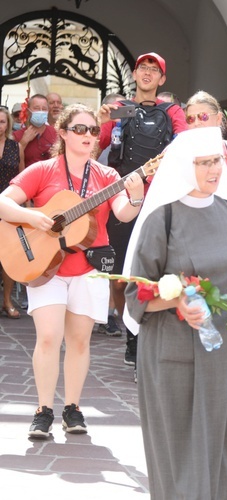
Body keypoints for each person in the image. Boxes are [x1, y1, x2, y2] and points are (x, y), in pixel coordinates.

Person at [123, 126, 227, 499]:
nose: (214, 169)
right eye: (204, 163)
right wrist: (175, 301)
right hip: (175, 352)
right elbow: (136, 293)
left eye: (217, 161)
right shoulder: (163, 220)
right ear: (183, 167)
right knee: (181, 449)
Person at [0, 103, 145, 437]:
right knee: (49, 337)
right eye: (79, 129)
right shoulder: (44, 170)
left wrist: (135, 196)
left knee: (79, 342)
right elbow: (5, 202)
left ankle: (73, 408)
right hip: (46, 267)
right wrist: (34, 217)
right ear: (63, 133)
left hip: (88, 266)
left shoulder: (107, 176)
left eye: (93, 130)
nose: (88, 136)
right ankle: (43, 409)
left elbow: (122, 214)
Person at [98, 52, 188, 368]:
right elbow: (98, 145)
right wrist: (101, 121)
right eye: (142, 68)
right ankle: (130, 334)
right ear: (135, 75)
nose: (147, 73)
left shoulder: (173, 111)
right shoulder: (120, 110)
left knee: (153, 271)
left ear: (162, 79)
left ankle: (142, 338)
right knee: (122, 275)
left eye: (154, 70)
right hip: (124, 201)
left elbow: (184, 144)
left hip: (160, 199)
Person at [0, 106, 24, 319]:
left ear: (8, 124)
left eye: (2, 121)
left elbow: (22, 178)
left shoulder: (15, 147)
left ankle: (7, 301)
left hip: (9, 206)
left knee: (9, 256)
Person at [13, 94, 57, 167]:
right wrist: (23, 142)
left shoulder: (56, 133)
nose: (41, 111)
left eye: (44, 109)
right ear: (28, 111)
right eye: (36, 108)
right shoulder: (16, 136)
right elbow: (10, 163)